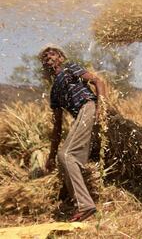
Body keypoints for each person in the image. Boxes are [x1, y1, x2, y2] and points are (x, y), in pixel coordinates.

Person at [40, 45, 106, 222]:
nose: (48, 56)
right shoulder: (54, 91)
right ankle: (78, 203)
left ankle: (85, 205)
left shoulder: (70, 68)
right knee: (68, 158)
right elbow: (57, 127)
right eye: (45, 56)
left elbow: (98, 81)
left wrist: (102, 106)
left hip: (88, 108)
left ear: (61, 58)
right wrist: (51, 156)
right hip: (81, 118)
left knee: (67, 155)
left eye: (52, 53)